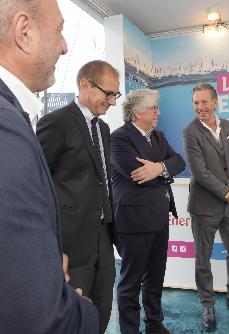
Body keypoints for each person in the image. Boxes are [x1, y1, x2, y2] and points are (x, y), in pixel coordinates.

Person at [0, 0, 99, 332]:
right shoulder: (6, 128)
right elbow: (43, 319)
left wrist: (41, 261)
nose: (65, 45)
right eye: (58, 31)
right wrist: (83, 311)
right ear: (24, 31)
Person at [37, 60, 120, 334]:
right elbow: (38, 185)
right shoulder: (56, 122)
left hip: (104, 236)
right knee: (73, 316)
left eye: (115, 95)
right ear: (85, 85)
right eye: (108, 94)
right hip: (71, 242)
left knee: (103, 307)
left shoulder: (103, 129)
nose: (112, 102)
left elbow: (101, 180)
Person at [183, 83, 229, 331]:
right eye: (196, 103)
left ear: (215, 102)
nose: (200, 107)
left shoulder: (228, 126)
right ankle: (208, 304)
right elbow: (200, 173)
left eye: (204, 102)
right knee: (202, 259)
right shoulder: (190, 132)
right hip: (205, 207)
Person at [111, 89, 186, 334]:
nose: (158, 113)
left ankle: (155, 324)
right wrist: (162, 171)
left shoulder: (158, 137)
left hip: (159, 218)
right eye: (153, 108)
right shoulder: (119, 138)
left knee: (155, 277)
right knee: (130, 283)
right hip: (133, 222)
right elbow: (135, 174)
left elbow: (179, 162)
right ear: (137, 112)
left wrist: (160, 167)